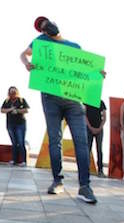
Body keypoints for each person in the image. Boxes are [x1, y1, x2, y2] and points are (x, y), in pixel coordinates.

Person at [20, 16, 98, 203]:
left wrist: (97, 74)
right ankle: (57, 181)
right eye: (42, 27)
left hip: (74, 100)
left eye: (46, 22)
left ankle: (85, 186)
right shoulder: (41, 42)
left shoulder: (75, 47)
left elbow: (86, 71)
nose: (46, 27)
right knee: (55, 140)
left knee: (81, 142)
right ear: (42, 32)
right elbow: (23, 54)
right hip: (50, 98)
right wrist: (27, 64)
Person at [1, 86, 30, 166]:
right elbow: (2, 110)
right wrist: (10, 110)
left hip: (20, 124)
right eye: (11, 92)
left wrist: (17, 111)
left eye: (14, 92)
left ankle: (23, 161)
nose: (12, 94)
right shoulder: (7, 101)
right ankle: (14, 160)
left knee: (21, 142)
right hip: (10, 124)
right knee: (14, 142)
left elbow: (26, 110)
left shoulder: (21, 100)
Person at [86, 99, 107, 177]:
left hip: (99, 129)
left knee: (99, 149)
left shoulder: (101, 102)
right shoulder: (87, 101)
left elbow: (104, 117)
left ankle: (100, 170)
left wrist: (99, 128)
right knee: (87, 149)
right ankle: (85, 169)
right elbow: (84, 115)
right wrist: (90, 127)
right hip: (88, 129)